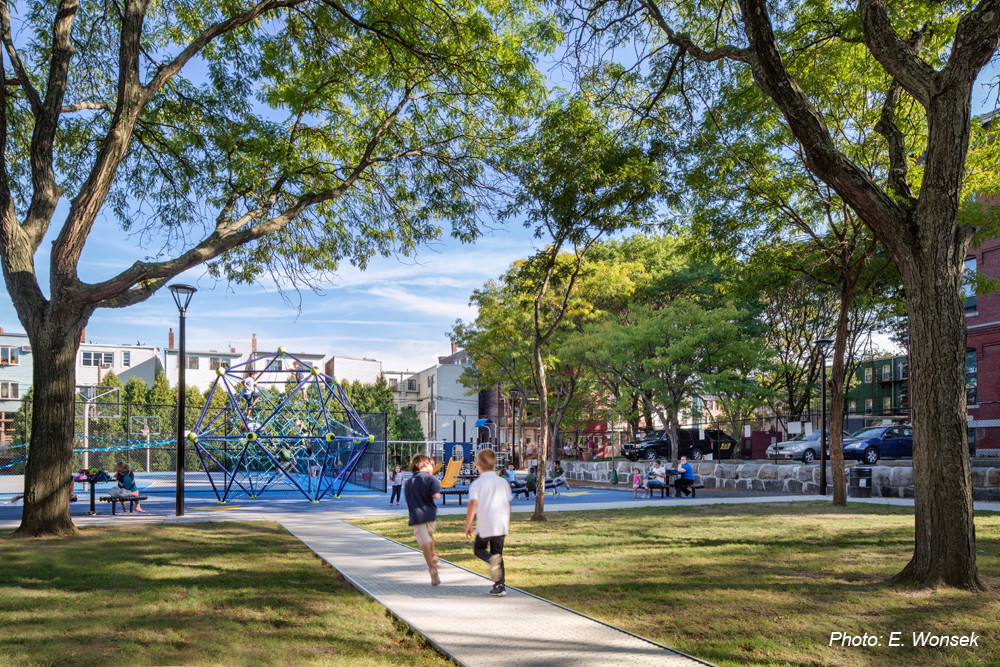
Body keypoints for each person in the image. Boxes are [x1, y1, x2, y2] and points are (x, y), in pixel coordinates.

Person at [465, 449, 512, 597]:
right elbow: (509, 503)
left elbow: (473, 503)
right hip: (501, 524)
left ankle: (491, 561)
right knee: (498, 554)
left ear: (479, 466)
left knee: (479, 549)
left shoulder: (478, 483)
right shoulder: (503, 482)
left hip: (486, 524)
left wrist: (468, 524)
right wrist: (507, 521)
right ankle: (500, 586)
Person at [404, 454, 442, 586]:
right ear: (425, 465)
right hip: (430, 514)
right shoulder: (431, 478)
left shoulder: (408, 482)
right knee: (430, 536)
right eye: (432, 465)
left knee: (424, 541)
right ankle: (434, 555)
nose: (433, 468)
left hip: (416, 516)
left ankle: (432, 568)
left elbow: (408, 500)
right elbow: (436, 495)